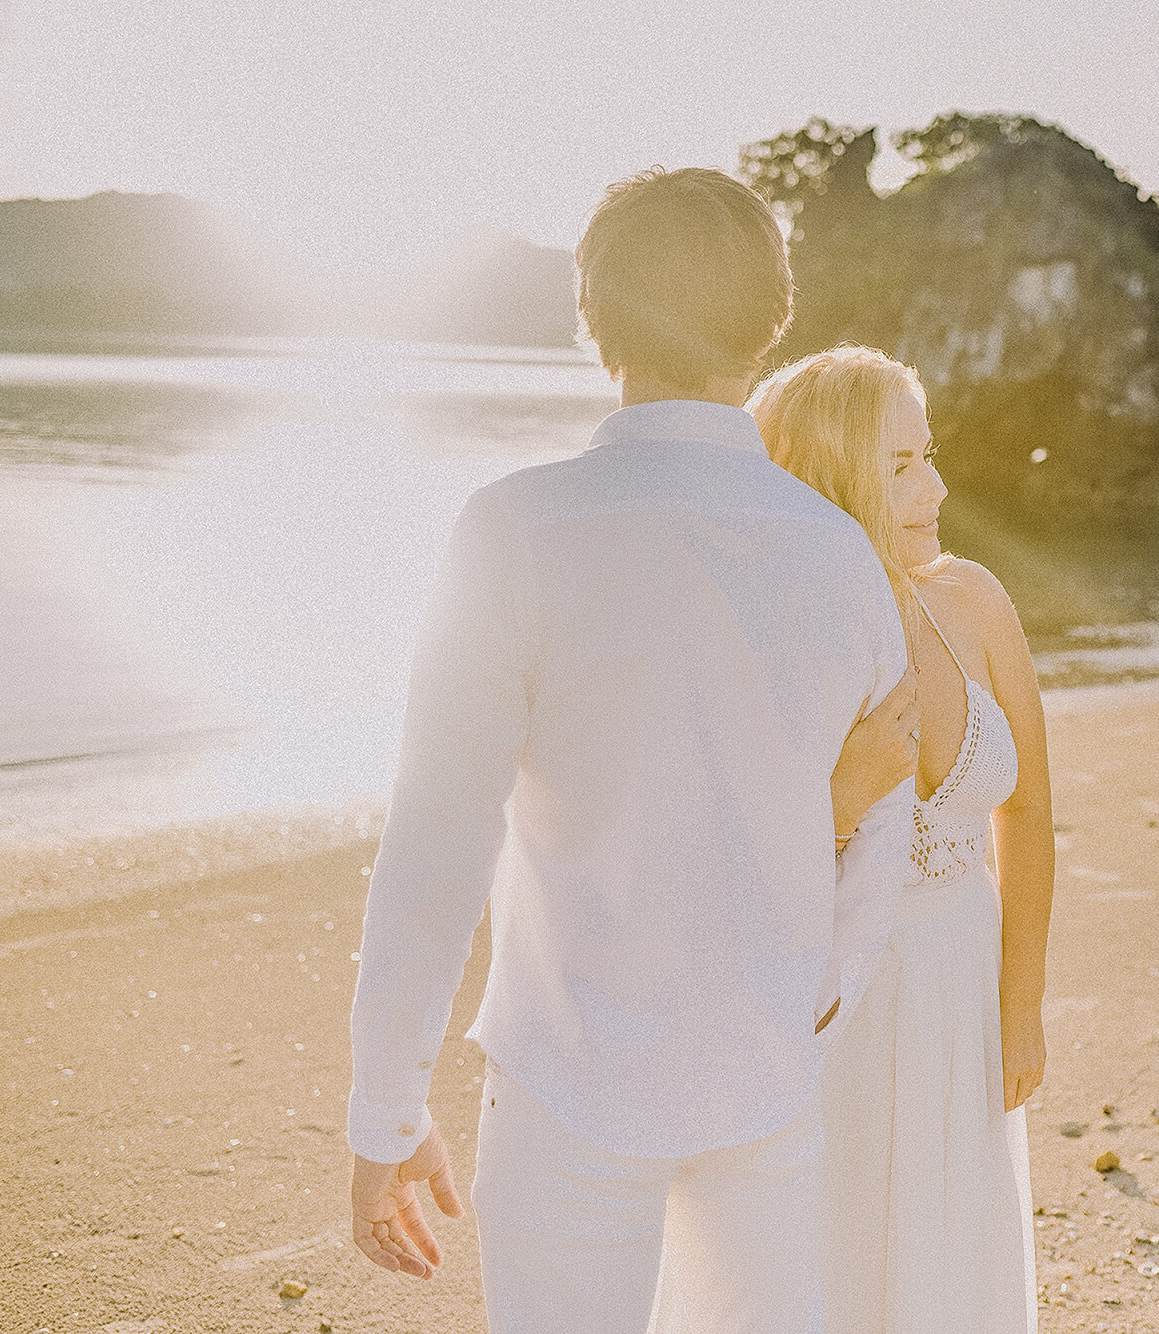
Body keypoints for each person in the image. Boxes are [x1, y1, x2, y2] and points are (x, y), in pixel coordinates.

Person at [344, 169, 920, 1334]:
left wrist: (385, 1114)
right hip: (763, 1077)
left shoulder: (515, 530)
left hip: (566, 1080)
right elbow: (879, 831)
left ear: (590, 319)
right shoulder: (840, 556)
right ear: (772, 320)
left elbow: (436, 848)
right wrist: (800, 1005)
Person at [696, 345, 1057, 1333]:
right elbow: (724, 870)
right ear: (829, 471)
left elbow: (1025, 808)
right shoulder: (773, 629)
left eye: (927, 453)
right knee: (831, 1267)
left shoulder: (974, 603)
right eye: (898, 464)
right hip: (829, 1007)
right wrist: (840, 797)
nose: (934, 484)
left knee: (952, 1263)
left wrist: (1019, 1001)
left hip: (961, 987)